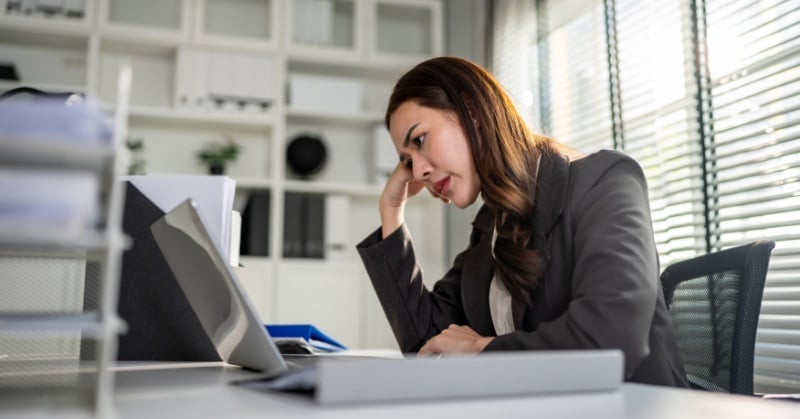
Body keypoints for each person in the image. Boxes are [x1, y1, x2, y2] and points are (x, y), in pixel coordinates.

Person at [356, 56, 689, 387]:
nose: (417, 171)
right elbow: (426, 342)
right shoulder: (492, 224)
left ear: (471, 110)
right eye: (406, 162)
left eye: (419, 140)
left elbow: (610, 339)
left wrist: (480, 349)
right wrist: (391, 210)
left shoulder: (604, 181)